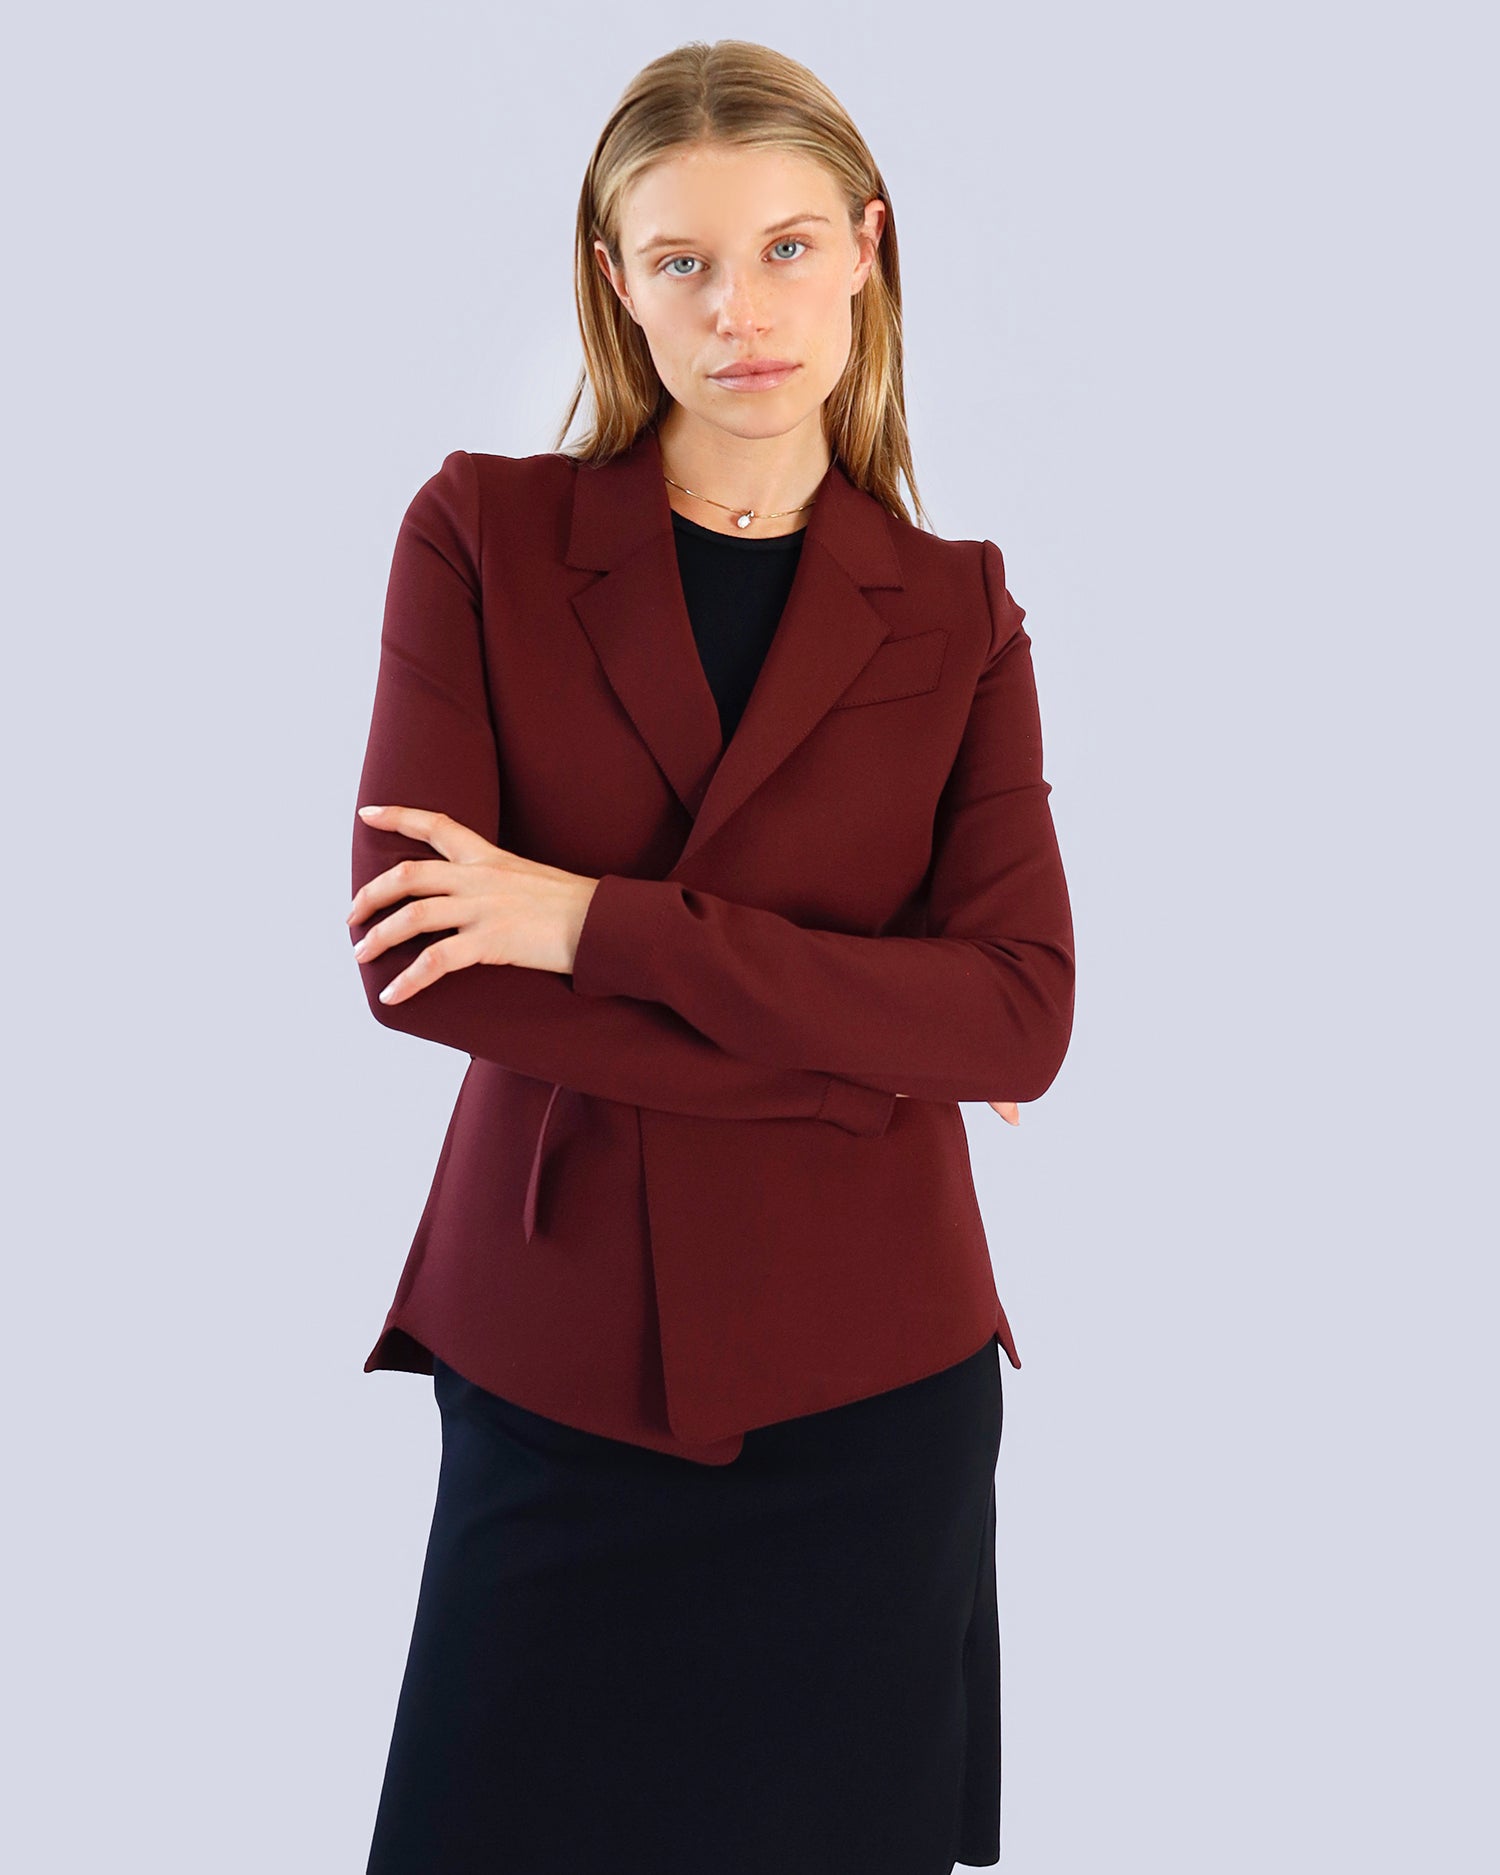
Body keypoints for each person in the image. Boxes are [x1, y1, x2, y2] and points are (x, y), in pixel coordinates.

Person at [348, 37, 1075, 1875]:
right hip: (556, 1360)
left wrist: (589, 921)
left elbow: (1020, 1017)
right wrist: (865, 1058)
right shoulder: (482, 535)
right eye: (682, 260)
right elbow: (424, 965)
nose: (739, 309)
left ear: (867, 249)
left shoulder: (960, 607)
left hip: (872, 1391)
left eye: (786, 248)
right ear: (616, 279)